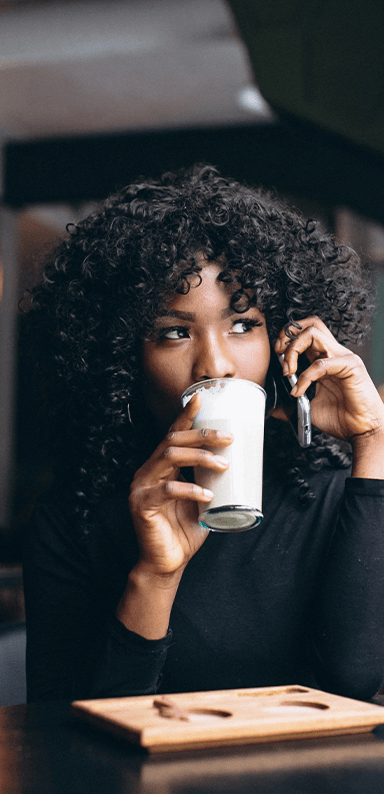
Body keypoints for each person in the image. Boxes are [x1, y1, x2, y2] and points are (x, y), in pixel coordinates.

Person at [23, 164, 384, 703]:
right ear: (124, 358)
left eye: (243, 324)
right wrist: (155, 575)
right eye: (174, 333)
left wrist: (374, 442)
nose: (215, 363)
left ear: (282, 339)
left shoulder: (341, 493)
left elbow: (355, 685)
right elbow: (62, 738)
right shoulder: (73, 523)